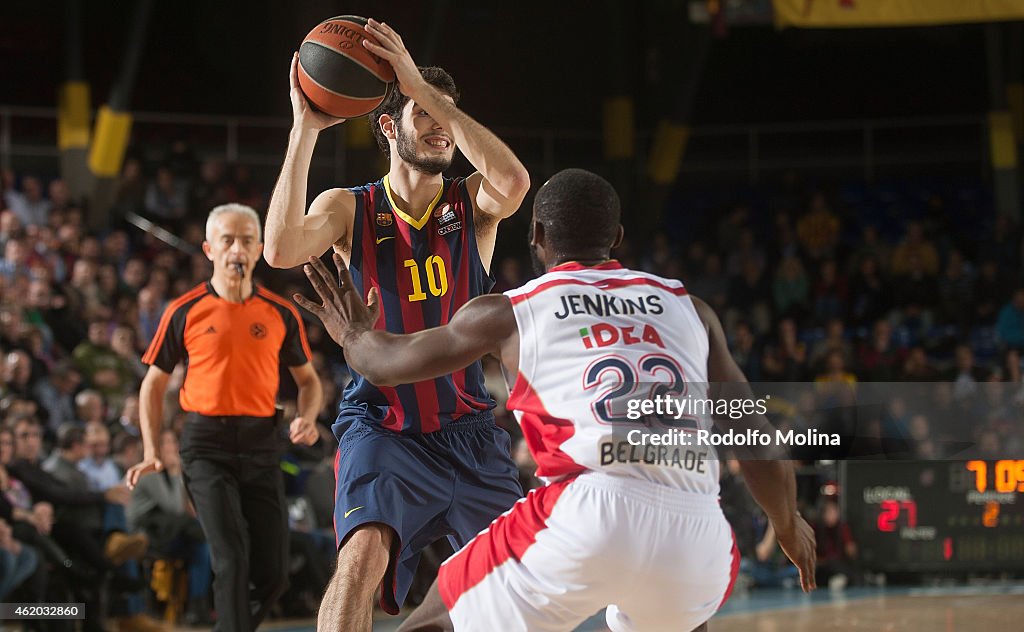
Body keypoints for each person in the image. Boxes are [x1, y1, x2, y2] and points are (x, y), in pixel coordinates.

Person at [295, 168, 817, 632]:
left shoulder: (513, 310)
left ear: (538, 237)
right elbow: (757, 439)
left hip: (591, 510)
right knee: (680, 613)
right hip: (699, 532)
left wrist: (351, 332)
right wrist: (788, 525)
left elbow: (384, 362)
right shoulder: (690, 308)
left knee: (439, 614)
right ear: (615, 237)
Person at [263, 18, 530, 631]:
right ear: (388, 126)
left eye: (446, 117)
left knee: (515, 580)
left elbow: (514, 182)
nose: (439, 128)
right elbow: (279, 249)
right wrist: (304, 130)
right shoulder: (349, 206)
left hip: (468, 429)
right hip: (383, 424)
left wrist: (421, 87)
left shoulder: (473, 206)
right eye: (424, 115)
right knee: (359, 561)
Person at [126, 203, 322, 632]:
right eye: (228, 240)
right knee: (231, 558)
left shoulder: (279, 313)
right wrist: (150, 449)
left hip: (261, 444)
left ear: (259, 249)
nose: (238, 248)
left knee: (273, 574)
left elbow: (309, 382)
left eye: (247, 240)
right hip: (206, 446)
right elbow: (152, 384)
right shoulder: (185, 309)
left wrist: (307, 417)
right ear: (209, 249)